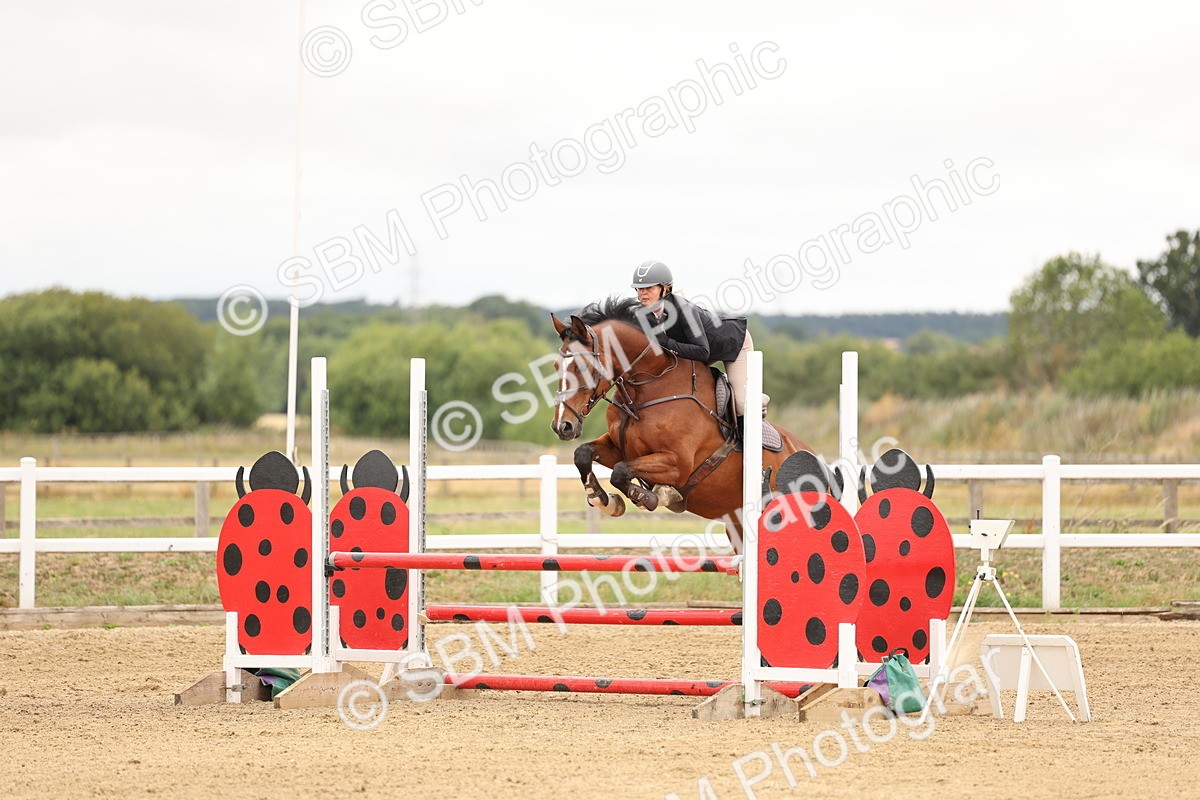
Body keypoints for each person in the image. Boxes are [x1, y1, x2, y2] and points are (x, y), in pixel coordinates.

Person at [631, 259, 760, 443]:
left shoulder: (684, 310)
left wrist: (667, 343)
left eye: (649, 288)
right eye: (639, 289)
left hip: (733, 343)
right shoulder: (642, 313)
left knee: (740, 403)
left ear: (664, 289)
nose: (643, 293)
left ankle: (756, 407)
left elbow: (702, 352)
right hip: (695, 348)